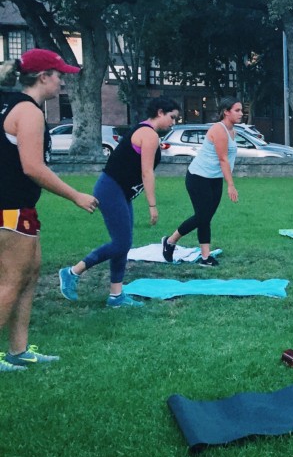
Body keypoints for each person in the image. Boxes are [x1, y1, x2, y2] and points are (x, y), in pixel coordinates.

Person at [0, 49, 98, 371]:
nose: (63, 82)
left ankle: (19, 350)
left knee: (29, 276)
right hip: (10, 210)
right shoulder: (28, 113)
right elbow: (32, 167)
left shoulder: (11, 104)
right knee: (12, 281)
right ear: (43, 77)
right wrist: (75, 195)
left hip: (20, 209)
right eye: (60, 76)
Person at [59, 97, 181, 307]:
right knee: (121, 243)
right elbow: (146, 172)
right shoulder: (149, 134)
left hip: (119, 191)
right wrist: (152, 205)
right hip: (111, 189)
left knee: (123, 243)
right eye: (172, 117)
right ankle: (72, 272)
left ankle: (116, 296)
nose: (173, 123)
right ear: (160, 112)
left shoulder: (146, 132)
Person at [162, 98, 242, 266]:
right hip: (198, 177)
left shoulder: (232, 131)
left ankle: (205, 258)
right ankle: (170, 241)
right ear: (226, 112)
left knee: (206, 217)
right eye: (237, 110)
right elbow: (223, 159)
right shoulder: (219, 130)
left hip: (214, 179)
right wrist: (231, 185)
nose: (241, 113)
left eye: (241, 110)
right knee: (202, 216)